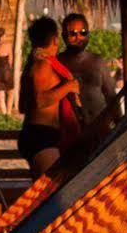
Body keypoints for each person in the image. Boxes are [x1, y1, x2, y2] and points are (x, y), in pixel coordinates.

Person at [16, 17, 79, 173]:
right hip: (41, 136)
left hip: (39, 133)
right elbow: (41, 101)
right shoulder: (42, 65)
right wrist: (69, 86)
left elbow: (22, 107)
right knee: (54, 192)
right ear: (55, 39)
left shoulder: (34, 64)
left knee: (46, 193)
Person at [56, 12, 121, 140]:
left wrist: (120, 125)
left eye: (83, 32)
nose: (78, 37)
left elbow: (111, 97)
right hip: (71, 135)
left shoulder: (98, 61)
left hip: (100, 131)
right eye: (73, 34)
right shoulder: (58, 63)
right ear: (64, 36)